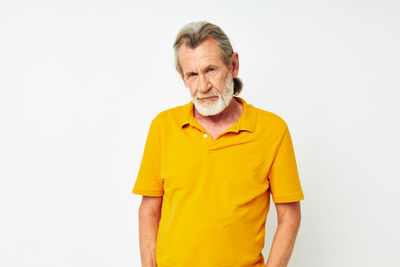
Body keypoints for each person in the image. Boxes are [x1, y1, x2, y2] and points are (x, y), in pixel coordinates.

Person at [132, 21, 305, 267]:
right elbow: (148, 210)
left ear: (233, 65)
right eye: (192, 74)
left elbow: (289, 216)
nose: (202, 87)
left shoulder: (272, 130)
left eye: (210, 70)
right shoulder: (163, 126)